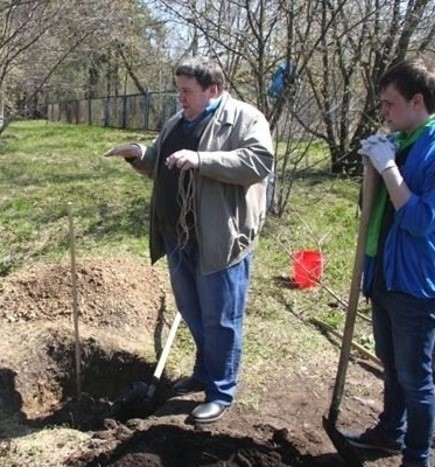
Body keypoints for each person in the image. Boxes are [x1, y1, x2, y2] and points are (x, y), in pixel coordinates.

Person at [105, 56, 274, 424]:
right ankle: (204, 372)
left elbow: (259, 161)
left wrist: (202, 159)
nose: (179, 97)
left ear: (212, 90)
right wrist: (139, 155)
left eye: (187, 91)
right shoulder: (176, 123)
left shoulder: (246, 119)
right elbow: (163, 162)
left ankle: (220, 391)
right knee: (194, 311)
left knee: (221, 319)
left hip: (218, 239)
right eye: (178, 89)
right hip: (177, 237)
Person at [345, 57, 435, 467]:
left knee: (416, 377)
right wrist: (373, 166)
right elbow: (369, 211)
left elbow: (418, 220)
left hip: (416, 282)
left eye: (389, 104)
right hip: (382, 272)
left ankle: (418, 458)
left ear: (417, 100)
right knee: (391, 364)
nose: (383, 112)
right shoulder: (400, 140)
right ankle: (390, 434)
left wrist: (387, 169)